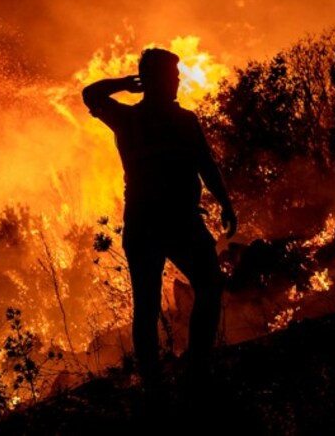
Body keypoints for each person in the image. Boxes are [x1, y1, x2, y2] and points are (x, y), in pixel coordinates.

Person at [82, 48, 237, 392]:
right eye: (171, 76)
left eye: (176, 76)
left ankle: (188, 369)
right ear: (152, 81)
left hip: (162, 221)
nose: (177, 81)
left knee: (197, 289)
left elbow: (205, 164)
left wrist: (225, 202)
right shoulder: (132, 119)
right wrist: (125, 82)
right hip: (163, 221)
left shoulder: (172, 121)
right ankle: (168, 377)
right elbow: (89, 95)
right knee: (155, 301)